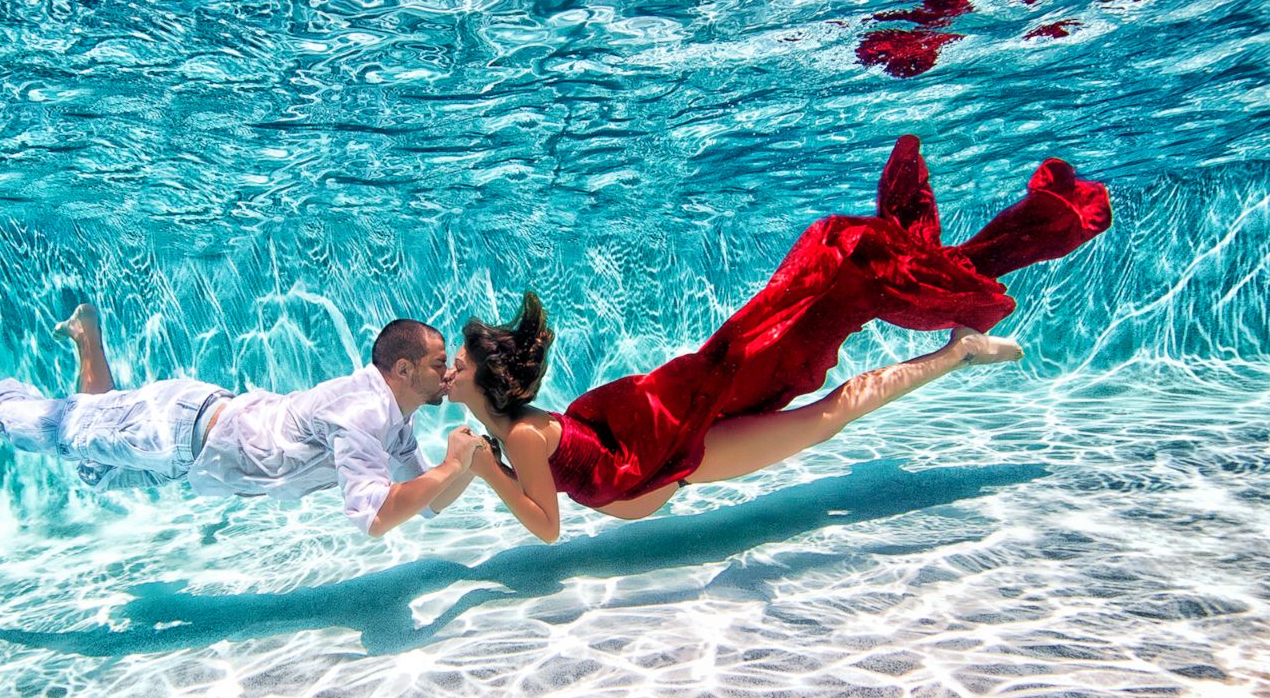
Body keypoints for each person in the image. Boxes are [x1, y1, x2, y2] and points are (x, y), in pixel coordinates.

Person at [444, 135, 1112, 541]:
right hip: (675, 443)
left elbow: (547, 528)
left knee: (830, 413)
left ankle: (956, 350)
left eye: (454, 363)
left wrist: (483, 470)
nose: (448, 370)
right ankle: (940, 301)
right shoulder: (514, 432)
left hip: (686, 453)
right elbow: (554, 487)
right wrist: (486, 463)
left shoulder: (521, 435)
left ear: (483, 379)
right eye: (450, 363)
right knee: (827, 342)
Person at [0, 308, 483, 536]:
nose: (446, 373)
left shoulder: (393, 420)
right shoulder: (361, 411)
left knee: (91, 470)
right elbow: (377, 517)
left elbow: (423, 507)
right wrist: (457, 465)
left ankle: (88, 342)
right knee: (33, 427)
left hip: (186, 453)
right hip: (178, 429)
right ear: (401, 371)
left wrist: (472, 466)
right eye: (436, 364)